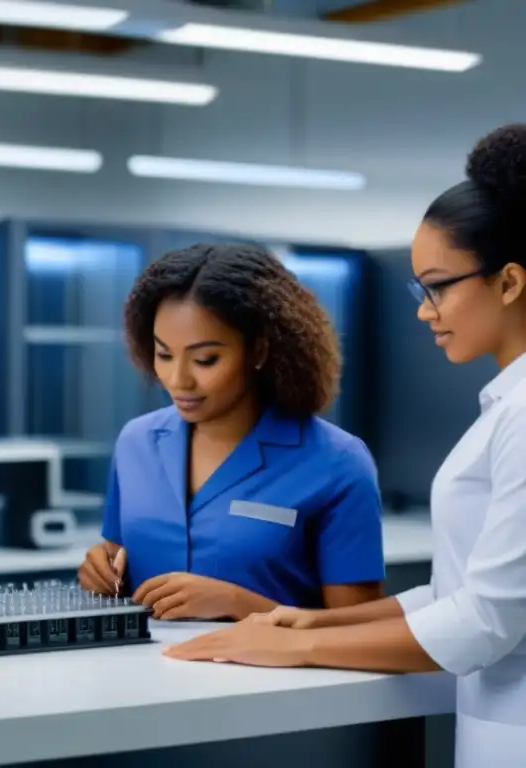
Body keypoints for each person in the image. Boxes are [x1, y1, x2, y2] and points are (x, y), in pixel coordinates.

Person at [165, 124, 526, 768]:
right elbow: (456, 592)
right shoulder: (505, 405)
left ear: (509, 282)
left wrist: (296, 649)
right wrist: (312, 621)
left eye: (437, 285)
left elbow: (486, 622)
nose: (424, 310)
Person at [77, 243, 385, 621]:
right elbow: (119, 561)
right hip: (148, 676)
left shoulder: (339, 462)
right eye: (164, 355)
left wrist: (240, 605)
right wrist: (102, 573)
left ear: (258, 350)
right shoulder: (135, 442)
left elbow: (362, 631)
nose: (178, 380)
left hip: (276, 679)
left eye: (206, 359)